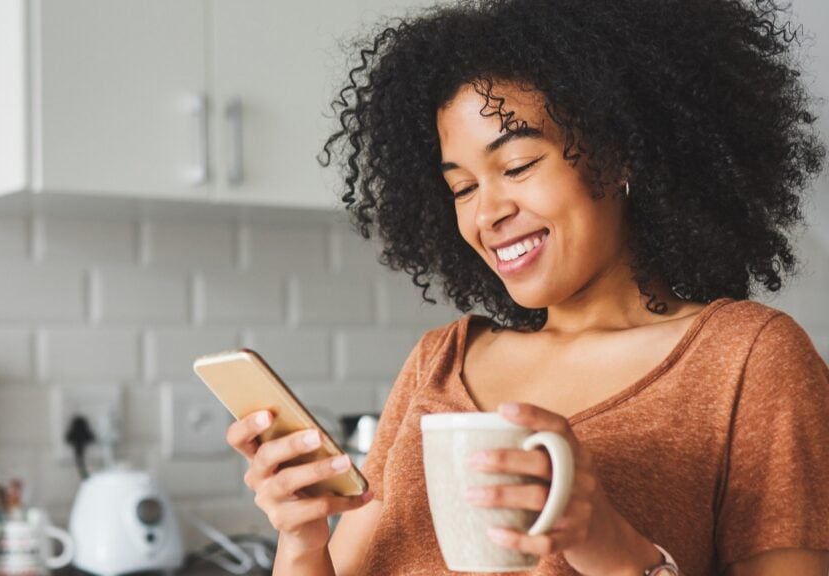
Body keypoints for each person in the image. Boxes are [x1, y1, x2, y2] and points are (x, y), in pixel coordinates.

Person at [224, 0, 829, 573]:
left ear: (619, 156)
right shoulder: (439, 361)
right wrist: (301, 540)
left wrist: (617, 551)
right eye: (461, 188)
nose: (487, 214)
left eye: (517, 167)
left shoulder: (749, 359)